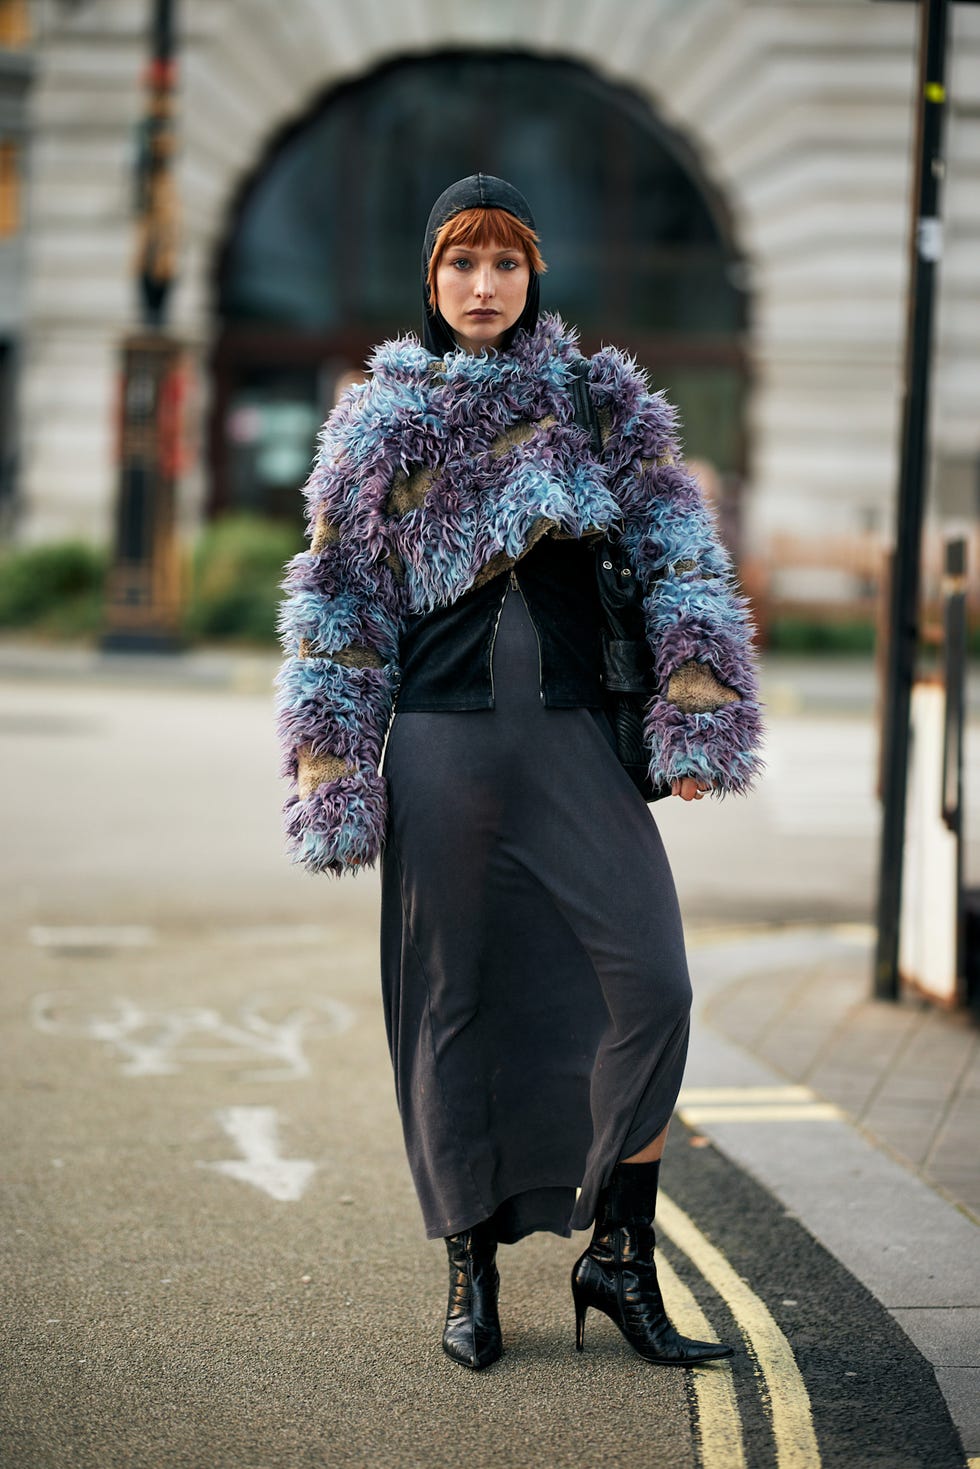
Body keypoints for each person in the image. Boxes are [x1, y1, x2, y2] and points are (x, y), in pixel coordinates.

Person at [275, 174, 763, 1373]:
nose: (482, 287)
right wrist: (331, 767)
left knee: (650, 982)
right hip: (438, 747)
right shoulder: (378, 423)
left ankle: (618, 1255)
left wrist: (693, 711)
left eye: (503, 264)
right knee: (453, 1005)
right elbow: (336, 608)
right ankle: (470, 1265)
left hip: (573, 743)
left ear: (533, 273)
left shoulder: (602, 406)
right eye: (459, 265)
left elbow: (682, 561)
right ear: (429, 282)